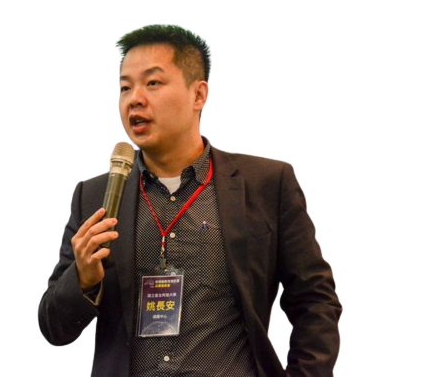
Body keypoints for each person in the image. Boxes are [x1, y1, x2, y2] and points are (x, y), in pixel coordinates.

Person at [38, 23, 342, 376]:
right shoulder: (93, 197)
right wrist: (84, 279)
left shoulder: (267, 183)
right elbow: (54, 327)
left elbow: (315, 300)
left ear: (199, 94)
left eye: (153, 83)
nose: (135, 98)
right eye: (125, 87)